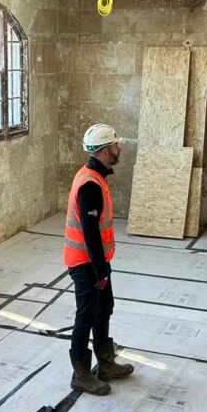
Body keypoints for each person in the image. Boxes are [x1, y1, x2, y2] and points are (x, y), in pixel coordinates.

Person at [63, 123, 134, 395]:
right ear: (105, 151)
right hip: (85, 263)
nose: (119, 149)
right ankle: (81, 373)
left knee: (104, 309)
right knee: (86, 315)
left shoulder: (94, 176)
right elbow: (90, 233)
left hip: (94, 261)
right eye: (115, 146)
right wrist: (100, 271)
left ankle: (106, 365)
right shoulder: (90, 184)